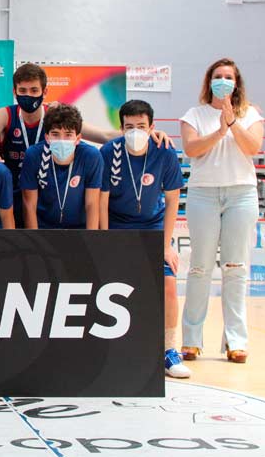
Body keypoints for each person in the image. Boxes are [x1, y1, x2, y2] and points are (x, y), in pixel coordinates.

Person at [0, 63, 173, 228]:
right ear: (14, 92)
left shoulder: (57, 114)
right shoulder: (5, 115)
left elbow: (105, 135)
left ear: (44, 92)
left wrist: (143, 134)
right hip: (16, 193)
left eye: (34, 90)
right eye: (23, 91)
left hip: (48, 193)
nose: (28, 95)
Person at [180, 58, 263, 365]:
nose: (223, 81)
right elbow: (191, 150)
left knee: (236, 267)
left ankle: (236, 342)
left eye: (229, 77)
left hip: (241, 194)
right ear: (209, 81)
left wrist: (232, 122)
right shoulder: (194, 115)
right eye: (218, 76)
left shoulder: (250, 114)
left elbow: (252, 147)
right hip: (204, 194)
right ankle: (191, 340)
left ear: (236, 82)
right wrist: (218, 130)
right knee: (200, 268)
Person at [99, 100, 189, 378]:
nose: (135, 131)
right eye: (129, 127)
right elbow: (101, 201)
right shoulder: (108, 152)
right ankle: (111, 348)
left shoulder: (164, 151)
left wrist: (166, 244)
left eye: (141, 126)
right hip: (117, 226)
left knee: (169, 284)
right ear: (120, 127)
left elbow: (173, 200)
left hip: (152, 227)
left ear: (152, 127)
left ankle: (169, 350)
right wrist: (102, 241)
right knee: (111, 287)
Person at [20, 104, 102, 229]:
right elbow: (29, 205)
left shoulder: (91, 156)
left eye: (68, 134)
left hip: (79, 229)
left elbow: (92, 204)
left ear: (78, 138)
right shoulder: (33, 155)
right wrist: (34, 243)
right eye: (55, 134)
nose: (62, 140)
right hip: (44, 229)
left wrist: (91, 240)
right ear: (47, 137)